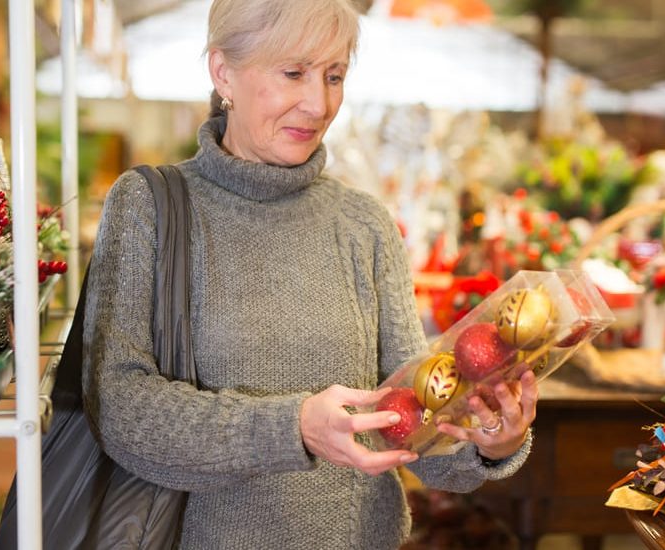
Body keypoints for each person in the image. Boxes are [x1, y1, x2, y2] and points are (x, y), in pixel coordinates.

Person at [83, 0, 538, 548]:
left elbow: (409, 424)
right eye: (293, 73)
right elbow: (120, 409)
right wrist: (292, 427)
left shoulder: (365, 224)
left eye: (334, 76)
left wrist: (489, 439)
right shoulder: (149, 206)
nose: (318, 103)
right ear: (223, 72)